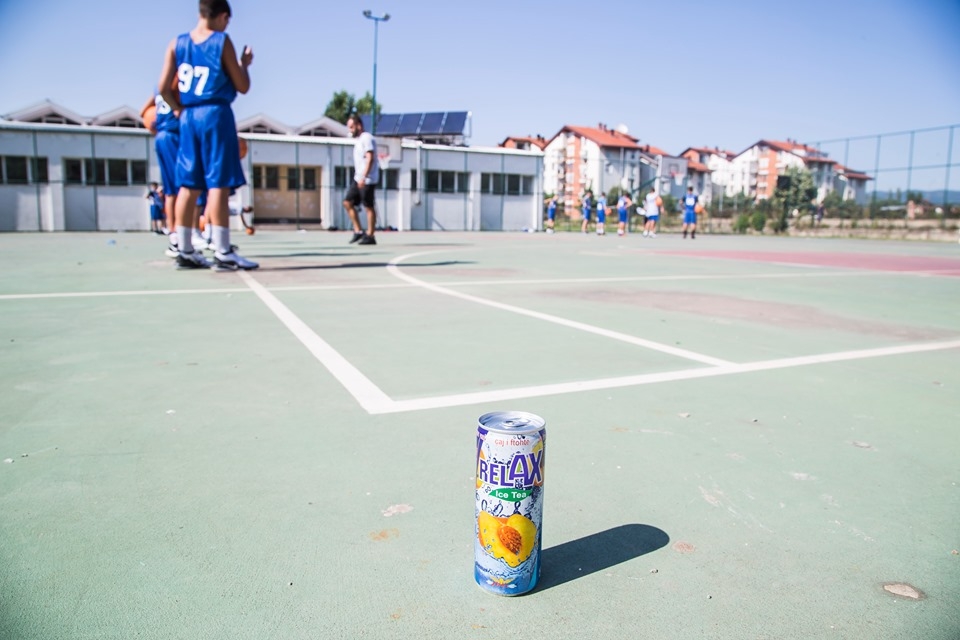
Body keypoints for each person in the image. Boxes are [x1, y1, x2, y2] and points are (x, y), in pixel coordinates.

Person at [158, 0, 257, 271]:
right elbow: (242, 85)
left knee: (188, 185)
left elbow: (163, 87)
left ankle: (185, 248)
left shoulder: (176, 44)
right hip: (215, 114)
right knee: (218, 183)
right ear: (222, 16)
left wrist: (178, 110)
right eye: (227, 20)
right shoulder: (221, 42)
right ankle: (223, 251)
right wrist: (244, 64)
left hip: (188, 116)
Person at [343, 113, 379, 245]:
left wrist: (364, 177)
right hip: (358, 178)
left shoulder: (367, 138)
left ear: (359, 125)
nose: (350, 130)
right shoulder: (359, 141)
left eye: (352, 127)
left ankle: (370, 235)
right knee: (347, 202)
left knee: (368, 206)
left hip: (367, 179)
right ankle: (358, 231)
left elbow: (370, 158)